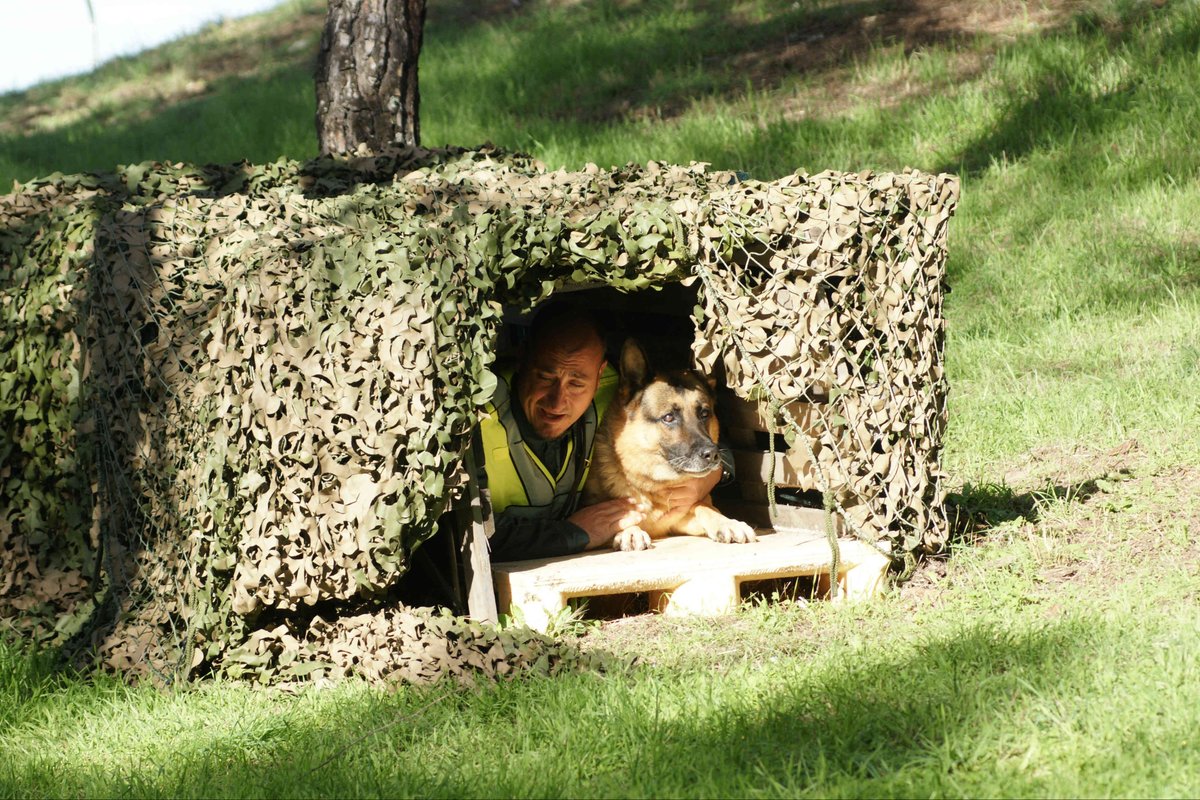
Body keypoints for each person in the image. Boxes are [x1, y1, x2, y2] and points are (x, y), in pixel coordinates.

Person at [476, 303, 726, 561]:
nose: (557, 402)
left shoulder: (619, 396)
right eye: (545, 377)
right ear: (522, 359)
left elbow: (703, 436)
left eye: (576, 383)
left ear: (599, 375)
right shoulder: (480, 416)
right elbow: (473, 537)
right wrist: (574, 533)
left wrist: (710, 477)